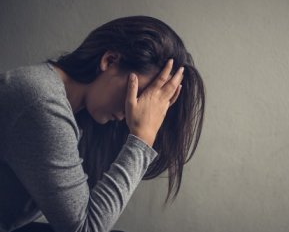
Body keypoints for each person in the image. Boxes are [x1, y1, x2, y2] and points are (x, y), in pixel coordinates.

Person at [0, 16, 205, 232]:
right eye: (140, 95)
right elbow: (86, 229)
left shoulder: (75, 115)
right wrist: (143, 137)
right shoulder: (41, 101)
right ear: (110, 60)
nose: (134, 110)